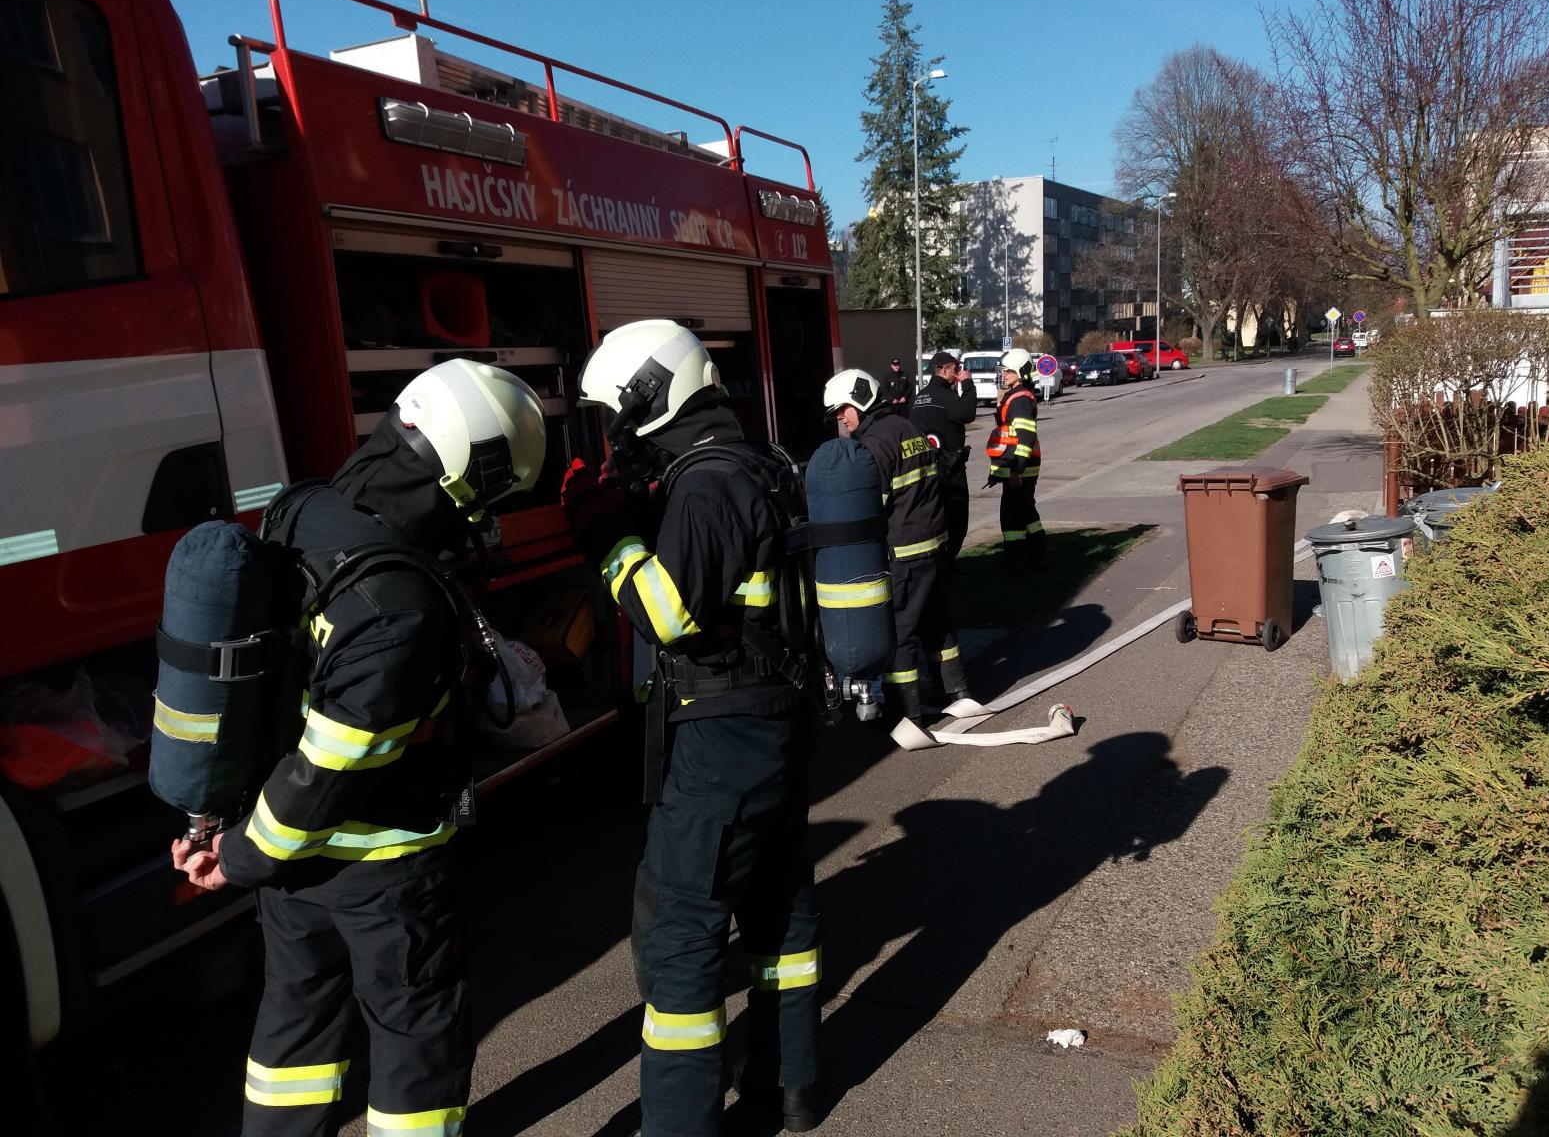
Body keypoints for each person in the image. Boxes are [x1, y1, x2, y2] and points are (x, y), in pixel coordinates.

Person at [176, 360, 548, 1137]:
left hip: (290, 874)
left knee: (293, 1038)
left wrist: (233, 838)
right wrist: (240, 857)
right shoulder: (400, 604)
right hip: (384, 868)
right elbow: (331, 766)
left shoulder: (303, 507)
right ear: (469, 478)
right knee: (417, 1043)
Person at [561, 319, 821, 1137]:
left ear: (649, 397)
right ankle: (790, 1087)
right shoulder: (755, 461)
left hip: (724, 739)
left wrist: (605, 533)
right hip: (776, 719)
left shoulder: (706, 484)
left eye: (615, 415)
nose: (613, 435)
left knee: (681, 932)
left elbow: (668, 613)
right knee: (779, 910)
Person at [824, 369, 969, 724]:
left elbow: (874, 506)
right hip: (935, 544)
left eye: (842, 409)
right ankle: (956, 691)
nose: (840, 418)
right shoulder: (908, 428)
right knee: (936, 622)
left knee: (900, 632)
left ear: (861, 400)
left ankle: (907, 713)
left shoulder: (873, 444)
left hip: (904, 552)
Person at [910, 350, 977, 559]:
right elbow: (967, 413)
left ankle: (939, 564)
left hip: (925, 469)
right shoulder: (946, 396)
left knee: (936, 519)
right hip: (950, 468)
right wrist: (967, 385)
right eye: (956, 369)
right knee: (957, 520)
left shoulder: (920, 397)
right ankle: (947, 563)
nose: (958, 373)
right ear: (945, 370)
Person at [986, 348, 1044, 567]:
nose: (1004, 374)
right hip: (1020, 465)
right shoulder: (1017, 395)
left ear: (1020, 373)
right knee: (1026, 510)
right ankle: (1036, 551)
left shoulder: (1019, 400)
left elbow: (1025, 438)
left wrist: (1017, 469)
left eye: (1008, 371)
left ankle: (1016, 559)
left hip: (1020, 467)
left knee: (1012, 515)